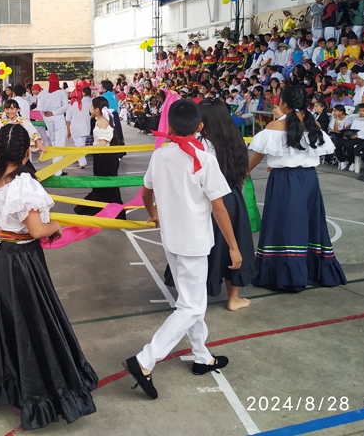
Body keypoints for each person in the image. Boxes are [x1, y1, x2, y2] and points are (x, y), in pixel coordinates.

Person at [0, 124, 97, 430]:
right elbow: (38, 230)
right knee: (33, 325)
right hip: (24, 261)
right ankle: (35, 392)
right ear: (28, 152)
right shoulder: (24, 183)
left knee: (7, 324)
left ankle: (12, 384)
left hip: (2, 259)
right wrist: (56, 227)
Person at [123, 100, 240, 400]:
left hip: (172, 239)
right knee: (191, 306)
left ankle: (202, 357)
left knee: (191, 299)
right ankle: (145, 360)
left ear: (170, 127)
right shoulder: (204, 159)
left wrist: (152, 213)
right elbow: (219, 208)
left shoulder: (161, 155)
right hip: (195, 242)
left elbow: (146, 191)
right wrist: (234, 246)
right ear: (201, 127)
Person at [247, 86, 346, 292]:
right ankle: (310, 269)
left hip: (285, 180)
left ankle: (287, 273)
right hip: (309, 180)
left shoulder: (275, 126)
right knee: (308, 222)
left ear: (284, 103)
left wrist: (243, 172)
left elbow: (258, 154)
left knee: (284, 223)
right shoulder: (313, 123)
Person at [197, 99, 256, 310]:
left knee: (204, 248)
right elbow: (242, 171)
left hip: (206, 199)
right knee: (234, 244)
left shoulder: (200, 143)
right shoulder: (235, 140)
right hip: (231, 199)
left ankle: (197, 297)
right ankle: (233, 298)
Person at [74, 96, 126, 220]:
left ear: (97, 109)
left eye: (92, 106)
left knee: (109, 186)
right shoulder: (98, 121)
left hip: (106, 158)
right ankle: (100, 209)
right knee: (100, 185)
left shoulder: (103, 122)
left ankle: (116, 213)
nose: (90, 108)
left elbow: (102, 145)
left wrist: (85, 149)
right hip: (100, 157)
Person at [0, 99, 46, 170]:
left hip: (20, 152)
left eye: (12, 109)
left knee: (26, 171)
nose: (9, 111)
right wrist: (11, 124)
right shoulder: (3, 122)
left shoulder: (23, 121)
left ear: (18, 109)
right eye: (7, 109)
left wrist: (39, 144)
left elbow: (33, 132)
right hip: (6, 153)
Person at [36, 73, 69, 176]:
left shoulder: (43, 93)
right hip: (57, 118)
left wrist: (46, 113)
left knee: (54, 142)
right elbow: (65, 106)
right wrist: (53, 113)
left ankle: (57, 168)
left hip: (48, 119)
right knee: (59, 143)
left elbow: (40, 107)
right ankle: (58, 170)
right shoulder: (62, 92)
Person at [66, 86, 92, 170]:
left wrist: (68, 131)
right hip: (85, 127)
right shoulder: (88, 104)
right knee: (83, 145)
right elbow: (93, 112)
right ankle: (82, 161)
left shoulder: (71, 106)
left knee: (79, 145)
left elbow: (68, 120)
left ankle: (82, 162)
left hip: (75, 128)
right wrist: (88, 118)